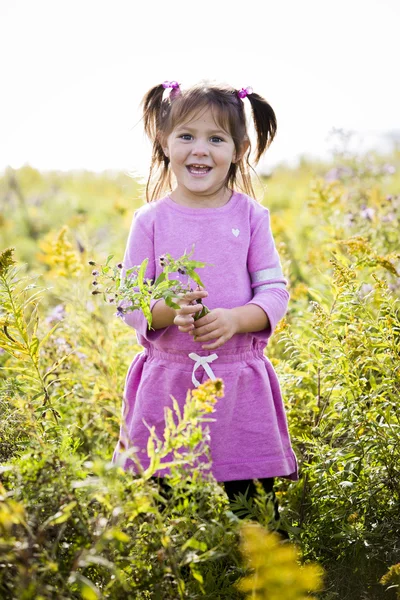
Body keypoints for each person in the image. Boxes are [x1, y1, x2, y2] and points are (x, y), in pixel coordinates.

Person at [111, 79, 298, 525]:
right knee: (170, 516)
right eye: (187, 136)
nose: (200, 150)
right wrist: (168, 311)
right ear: (165, 142)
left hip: (239, 386)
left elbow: (275, 292)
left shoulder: (251, 216)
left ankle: (262, 584)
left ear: (239, 149)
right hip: (168, 384)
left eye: (216, 138)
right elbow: (128, 300)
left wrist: (236, 319)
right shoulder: (150, 220)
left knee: (254, 512)